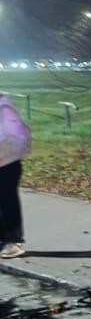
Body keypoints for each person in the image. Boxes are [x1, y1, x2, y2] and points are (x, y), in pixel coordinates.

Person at [0, 92, 31, 258]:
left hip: (7, 165)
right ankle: (4, 240)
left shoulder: (4, 108)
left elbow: (14, 138)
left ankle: (14, 242)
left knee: (7, 203)